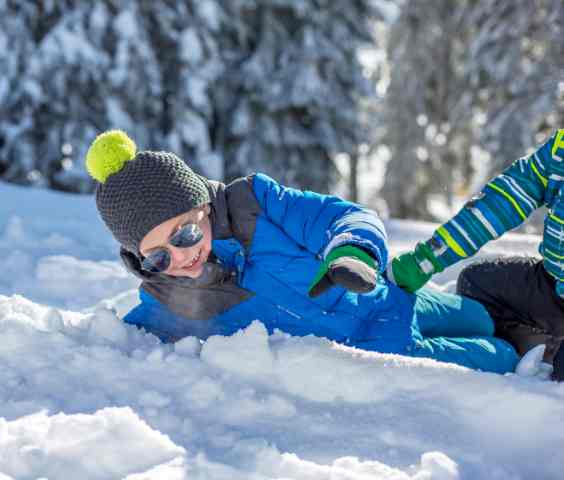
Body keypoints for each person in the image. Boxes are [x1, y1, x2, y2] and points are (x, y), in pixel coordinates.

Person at [86, 129, 520, 374]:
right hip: (383, 348)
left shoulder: (256, 204)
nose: (179, 259)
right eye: (158, 257)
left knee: (483, 318)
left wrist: (353, 252)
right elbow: (122, 339)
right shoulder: (169, 298)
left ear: (200, 202)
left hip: (388, 296)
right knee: (504, 360)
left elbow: (342, 217)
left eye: (182, 236)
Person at [388, 129, 564, 380]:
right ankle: (528, 352)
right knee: (478, 282)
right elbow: (500, 202)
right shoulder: (561, 151)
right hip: (554, 281)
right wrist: (426, 260)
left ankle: (552, 363)